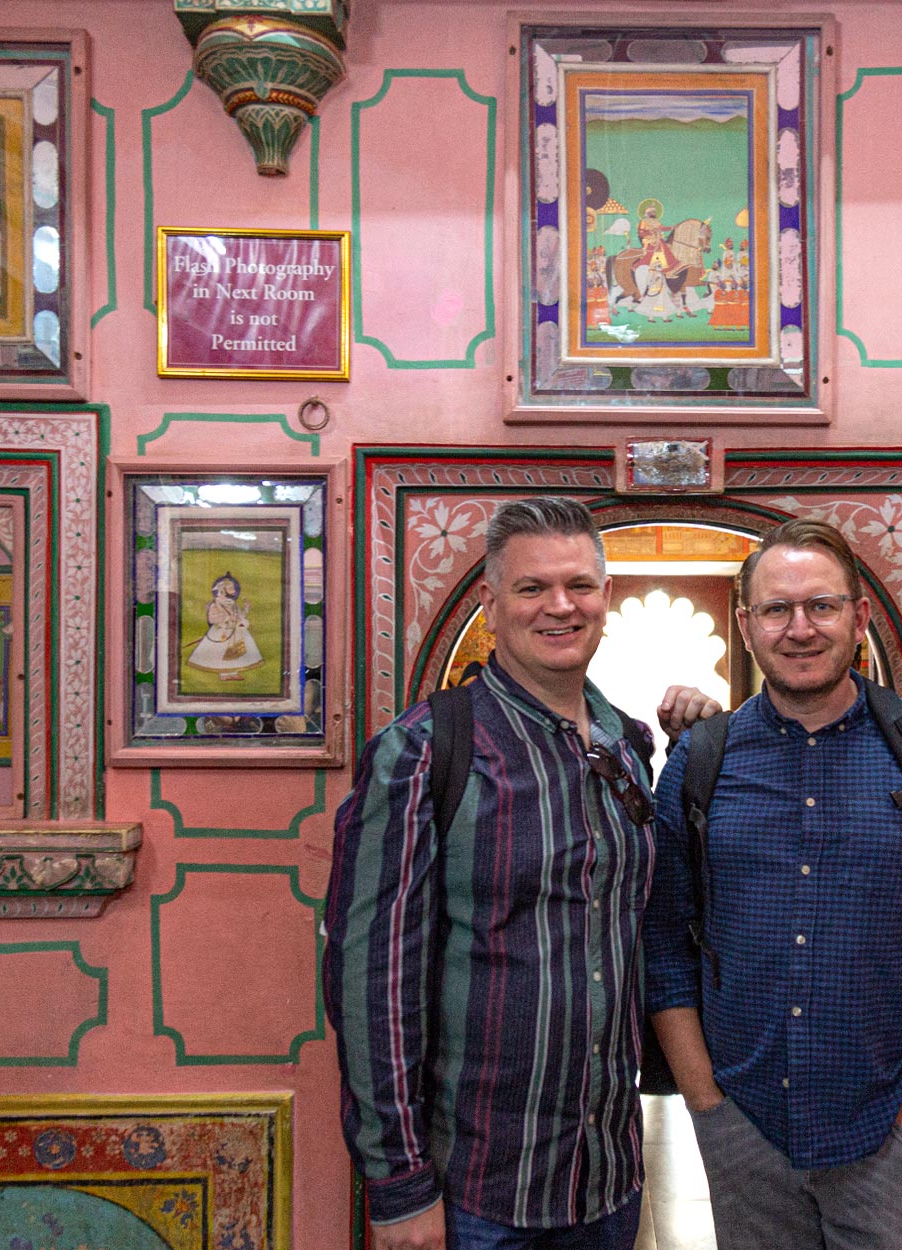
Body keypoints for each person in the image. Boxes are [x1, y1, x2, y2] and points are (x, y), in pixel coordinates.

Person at [325, 497, 718, 1250]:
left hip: (607, 1176)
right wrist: (400, 1187)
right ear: (491, 602)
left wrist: (702, 741)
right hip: (478, 1191)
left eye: (580, 586)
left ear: (606, 598)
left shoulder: (628, 746)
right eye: (532, 588)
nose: (560, 607)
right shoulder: (423, 753)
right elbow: (371, 985)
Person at [644, 518, 902, 1250]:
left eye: (822, 605)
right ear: (747, 627)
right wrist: (707, 1107)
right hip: (744, 1130)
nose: (800, 629)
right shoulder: (700, 762)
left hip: (887, 1133)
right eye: (777, 610)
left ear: (860, 618)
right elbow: (662, 946)